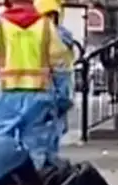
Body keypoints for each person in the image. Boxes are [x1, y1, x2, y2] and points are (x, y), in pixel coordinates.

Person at [0, 0, 74, 169]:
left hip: (4, 99)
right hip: (40, 98)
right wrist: (63, 99)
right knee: (38, 155)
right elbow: (62, 68)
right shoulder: (46, 27)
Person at [35, 0, 76, 153]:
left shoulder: (39, 35)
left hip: (40, 95)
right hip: (50, 96)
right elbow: (63, 72)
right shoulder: (61, 37)